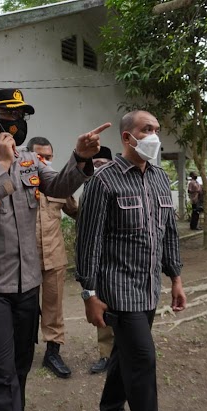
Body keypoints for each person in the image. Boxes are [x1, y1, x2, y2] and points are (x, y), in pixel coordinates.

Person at [0, 88, 110, 411]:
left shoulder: (30, 161)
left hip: (25, 287)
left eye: (21, 117)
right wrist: (2, 165)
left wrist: (79, 157)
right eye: (9, 116)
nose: (17, 123)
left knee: (19, 366)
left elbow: (61, 186)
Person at [75, 110, 187, 411]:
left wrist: (175, 278)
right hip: (119, 291)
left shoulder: (159, 177)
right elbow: (88, 241)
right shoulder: (103, 181)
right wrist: (89, 292)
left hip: (150, 288)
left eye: (156, 129)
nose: (154, 135)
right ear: (128, 137)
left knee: (124, 357)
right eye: (147, 129)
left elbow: (169, 233)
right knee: (142, 360)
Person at [26, 136, 78, 379]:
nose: (44, 161)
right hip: (24, 260)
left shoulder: (58, 185)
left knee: (53, 308)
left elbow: (76, 212)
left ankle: (52, 353)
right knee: (24, 309)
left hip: (54, 256)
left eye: (48, 157)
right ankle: (22, 352)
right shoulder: (19, 183)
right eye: (39, 156)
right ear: (28, 157)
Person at [90, 146, 115, 375]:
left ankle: (126, 354)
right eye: (94, 162)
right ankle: (106, 355)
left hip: (121, 260)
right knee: (103, 309)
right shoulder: (90, 187)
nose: (98, 165)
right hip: (99, 262)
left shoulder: (123, 186)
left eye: (103, 161)